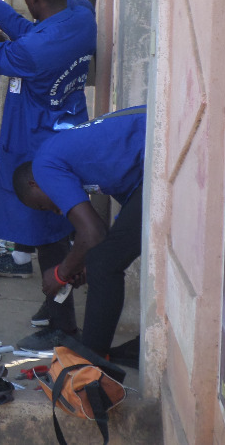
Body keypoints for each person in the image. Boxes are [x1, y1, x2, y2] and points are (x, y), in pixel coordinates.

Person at [0, 0, 96, 348]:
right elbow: (34, 33)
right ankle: (53, 307)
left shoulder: (34, 51)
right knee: (53, 225)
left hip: (40, 139)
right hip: (68, 126)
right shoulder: (81, 15)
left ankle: (63, 327)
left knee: (47, 232)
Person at [12, 107, 147, 358]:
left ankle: (90, 361)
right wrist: (83, 262)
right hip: (151, 163)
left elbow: (93, 233)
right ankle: (132, 349)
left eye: (42, 205)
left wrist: (61, 273)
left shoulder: (44, 166)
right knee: (104, 258)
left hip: (161, 149)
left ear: (34, 184)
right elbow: (115, 229)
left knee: (104, 262)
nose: (54, 211)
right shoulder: (87, 162)